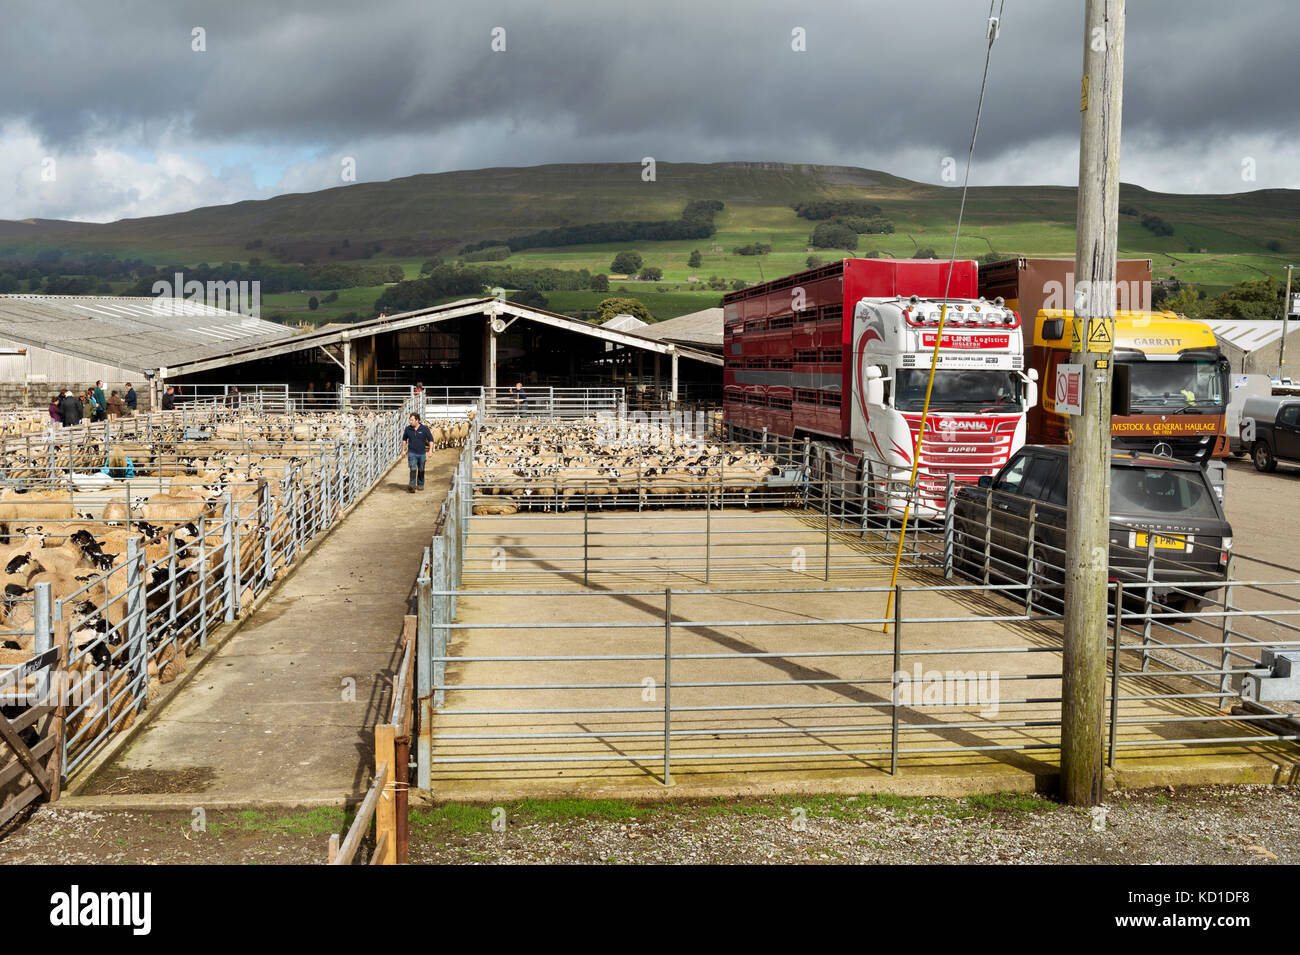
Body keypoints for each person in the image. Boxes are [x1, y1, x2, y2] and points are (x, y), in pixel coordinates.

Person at [400, 413, 434, 493]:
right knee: (413, 468)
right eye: (410, 420)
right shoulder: (408, 429)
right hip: (412, 453)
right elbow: (404, 440)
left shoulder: (424, 429)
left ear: (417, 420)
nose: (410, 422)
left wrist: (430, 450)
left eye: (412, 420)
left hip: (422, 453)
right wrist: (403, 450)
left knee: (421, 469)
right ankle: (412, 485)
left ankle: (420, 483)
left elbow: (431, 440)